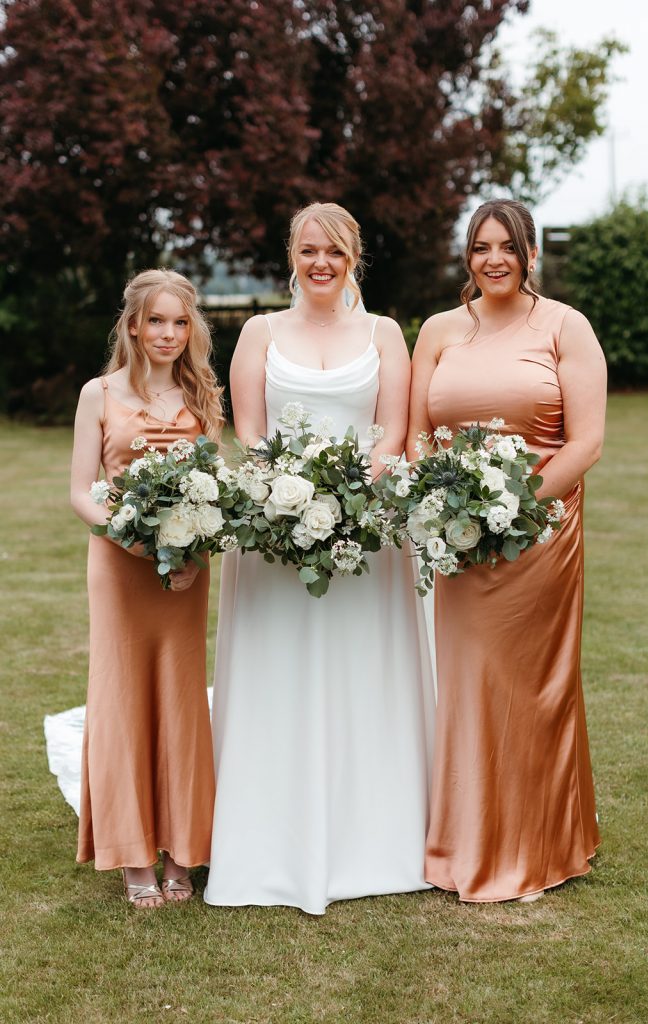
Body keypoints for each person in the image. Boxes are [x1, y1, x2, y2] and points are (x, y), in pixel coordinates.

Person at [205, 202, 435, 914]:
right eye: (308, 251)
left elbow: (392, 431)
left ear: (352, 258)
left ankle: (379, 836)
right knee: (282, 669)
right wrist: (292, 495)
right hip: (277, 531)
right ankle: (269, 837)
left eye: (333, 252)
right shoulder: (259, 331)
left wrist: (349, 496)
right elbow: (247, 429)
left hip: (369, 527)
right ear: (292, 255)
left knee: (366, 669)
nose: (320, 264)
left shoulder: (384, 333)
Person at [408, 199, 606, 903]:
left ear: (529, 253)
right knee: (468, 684)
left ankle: (538, 845)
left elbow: (584, 442)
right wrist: (444, 508)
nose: (493, 259)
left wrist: (512, 507)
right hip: (458, 541)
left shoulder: (564, 327)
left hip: (539, 531)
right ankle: (464, 843)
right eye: (480, 247)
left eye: (507, 246)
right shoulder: (436, 330)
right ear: (466, 256)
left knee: (528, 686)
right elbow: (414, 437)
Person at [70, 269, 224, 908]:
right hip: (119, 564)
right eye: (156, 320)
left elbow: (217, 494)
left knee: (181, 698)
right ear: (132, 324)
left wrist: (193, 551)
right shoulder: (97, 393)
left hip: (183, 575)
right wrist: (133, 536)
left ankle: (183, 848)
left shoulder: (204, 397)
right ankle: (133, 852)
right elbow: (81, 490)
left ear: (193, 331)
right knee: (122, 693)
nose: (168, 333)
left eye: (180, 322)